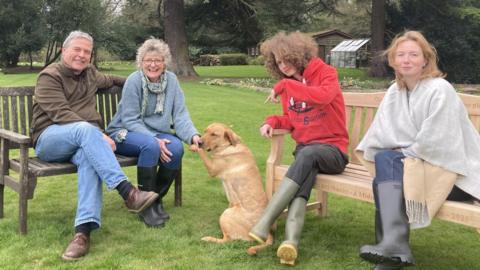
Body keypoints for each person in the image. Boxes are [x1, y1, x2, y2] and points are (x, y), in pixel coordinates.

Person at [356, 30, 480, 269]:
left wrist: (403, 151)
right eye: (400, 54)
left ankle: (392, 250)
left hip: (455, 176)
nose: (406, 59)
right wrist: (403, 152)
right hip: (418, 169)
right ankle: (394, 250)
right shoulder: (396, 91)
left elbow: (438, 141)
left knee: (386, 168)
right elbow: (382, 132)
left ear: (425, 59)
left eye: (413, 54)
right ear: (393, 60)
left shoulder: (440, 89)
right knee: (386, 166)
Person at [32, 30, 159, 261]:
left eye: (86, 52)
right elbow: (61, 114)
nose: (81, 55)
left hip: (84, 142)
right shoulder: (49, 76)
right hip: (50, 140)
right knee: (85, 129)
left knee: (90, 159)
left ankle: (82, 234)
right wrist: (99, 135)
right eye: (77, 50)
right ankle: (128, 192)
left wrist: (142, 79)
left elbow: (111, 80)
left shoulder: (90, 74)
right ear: (64, 51)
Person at [248, 31, 349, 265]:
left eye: (287, 59)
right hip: (307, 154)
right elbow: (291, 120)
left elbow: (323, 97)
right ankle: (290, 243)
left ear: (299, 55)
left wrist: (285, 85)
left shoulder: (326, 73)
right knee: (306, 160)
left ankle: (265, 221)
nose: (283, 66)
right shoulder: (290, 87)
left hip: (333, 152)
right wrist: (271, 122)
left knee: (308, 154)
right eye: (278, 62)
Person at [106, 38, 201, 228]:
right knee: (150, 145)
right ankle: (145, 206)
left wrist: (193, 135)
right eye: (148, 60)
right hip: (124, 132)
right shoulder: (134, 81)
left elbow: (180, 115)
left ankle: (154, 201)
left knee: (175, 148)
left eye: (158, 60)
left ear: (164, 62)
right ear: (141, 63)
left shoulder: (172, 81)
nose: (153, 64)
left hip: (155, 133)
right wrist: (155, 139)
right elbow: (130, 119)